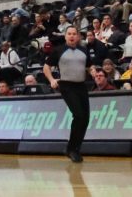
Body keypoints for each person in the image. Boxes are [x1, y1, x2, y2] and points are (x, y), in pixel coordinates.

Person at [43, 26, 91, 163]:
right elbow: (46, 67)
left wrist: (92, 70)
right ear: (65, 36)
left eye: (74, 34)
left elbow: (89, 66)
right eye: (69, 34)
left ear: (78, 36)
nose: (71, 36)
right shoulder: (58, 50)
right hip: (67, 86)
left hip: (81, 86)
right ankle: (71, 149)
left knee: (85, 118)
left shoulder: (83, 50)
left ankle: (75, 148)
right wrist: (52, 80)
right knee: (79, 115)